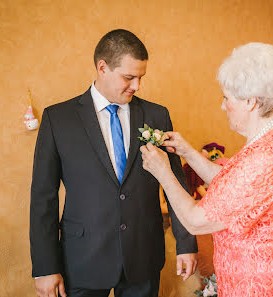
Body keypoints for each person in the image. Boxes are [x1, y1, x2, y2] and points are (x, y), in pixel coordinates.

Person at [30, 29, 198, 297]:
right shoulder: (58, 119)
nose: (136, 86)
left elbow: (174, 183)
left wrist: (186, 244)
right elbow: (43, 198)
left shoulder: (157, 115)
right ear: (102, 67)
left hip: (143, 256)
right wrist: (44, 267)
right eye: (129, 77)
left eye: (141, 78)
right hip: (81, 260)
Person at [140, 42, 273, 296]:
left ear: (251, 102)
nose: (223, 106)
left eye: (227, 98)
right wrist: (188, 152)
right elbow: (235, 186)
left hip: (261, 287)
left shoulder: (264, 157)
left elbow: (196, 222)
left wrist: (163, 172)